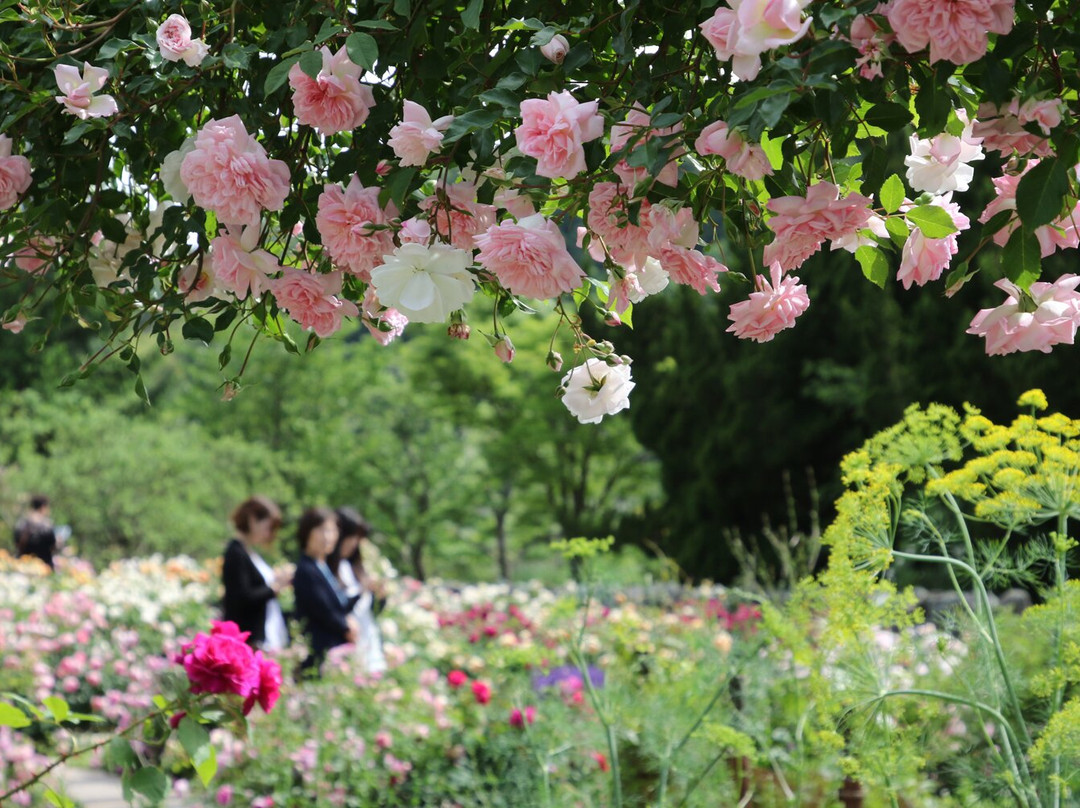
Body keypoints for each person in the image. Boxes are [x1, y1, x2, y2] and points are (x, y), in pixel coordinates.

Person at [293, 506, 360, 675]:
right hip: (319, 651)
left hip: (334, 650)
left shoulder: (324, 567)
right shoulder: (306, 569)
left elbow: (338, 605)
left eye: (331, 531)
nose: (327, 537)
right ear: (307, 533)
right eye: (321, 530)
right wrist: (346, 627)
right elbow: (322, 608)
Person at [221, 496, 291, 651]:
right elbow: (243, 596)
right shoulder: (236, 553)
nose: (268, 534)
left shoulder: (249, 552)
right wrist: (274, 588)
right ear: (253, 520)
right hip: (246, 640)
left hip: (258, 636)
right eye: (267, 528)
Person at [329, 507, 387, 674]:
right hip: (347, 651)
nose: (354, 542)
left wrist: (379, 596)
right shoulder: (329, 570)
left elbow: (370, 611)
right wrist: (362, 591)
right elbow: (337, 609)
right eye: (351, 536)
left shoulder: (354, 567)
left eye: (358, 537)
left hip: (370, 644)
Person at [13, 495, 58, 570]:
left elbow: (16, 541)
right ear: (43, 507)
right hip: (44, 566)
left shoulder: (22, 522)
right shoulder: (46, 524)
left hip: (22, 564)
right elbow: (52, 545)